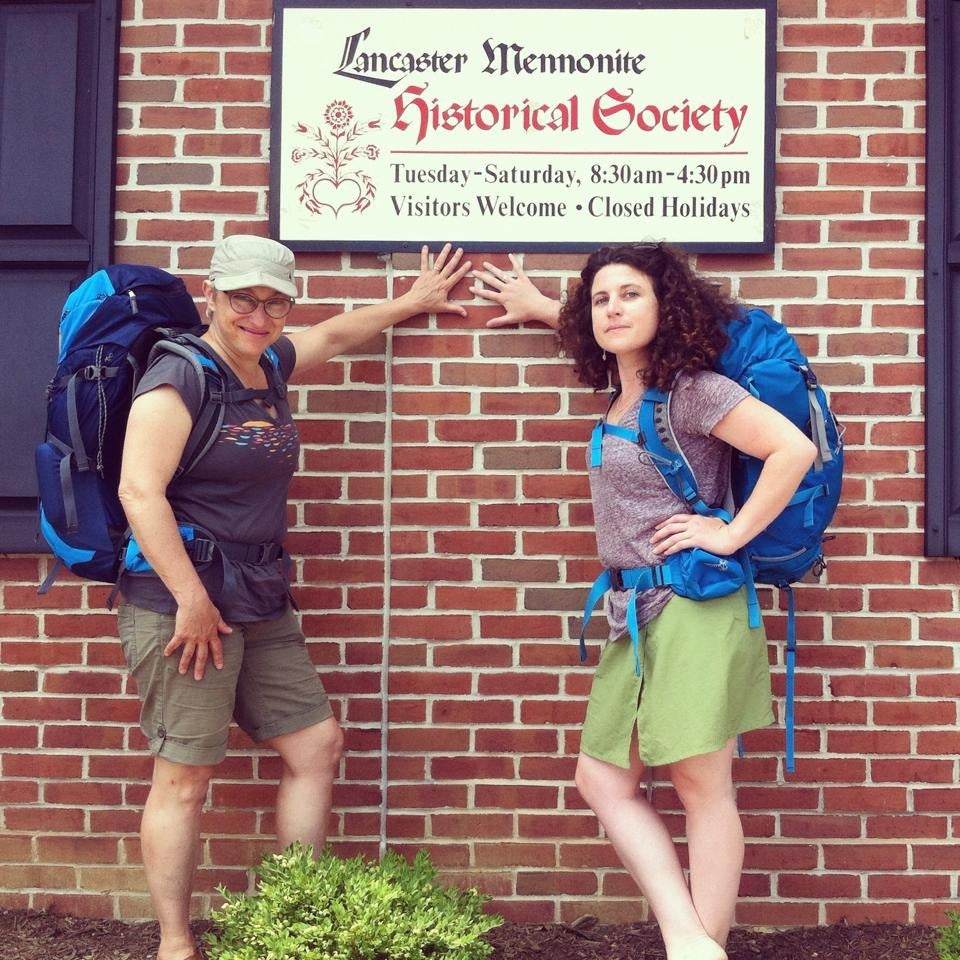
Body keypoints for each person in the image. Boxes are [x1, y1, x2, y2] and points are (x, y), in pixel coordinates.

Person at [117, 235, 471, 960]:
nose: (260, 312)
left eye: (275, 300)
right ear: (210, 294)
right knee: (185, 775)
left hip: (258, 593)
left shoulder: (266, 363)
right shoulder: (177, 380)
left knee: (316, 743)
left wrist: (411, 301)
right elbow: (138, 491)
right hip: (184, 603)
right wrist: (189, 597)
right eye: (245, 297)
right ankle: (176, 944)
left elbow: (335, 334)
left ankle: (296, 915)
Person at [471, 244, 816, 960]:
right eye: (601, 299)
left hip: (696, 605)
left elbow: (791, 450)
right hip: (636, 614)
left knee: (700, 785)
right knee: (602, 778)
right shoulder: (626, 393)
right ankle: (689, 937)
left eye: (630, 295)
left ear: (667, 309)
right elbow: (592, 327)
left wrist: (729, 532)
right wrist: (546, 308)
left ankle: (698, 944)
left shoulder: (694, 391)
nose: (614, 309)